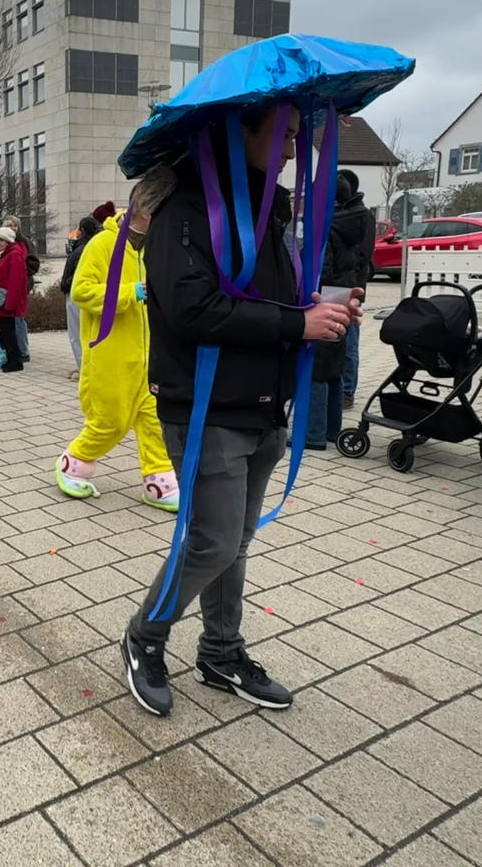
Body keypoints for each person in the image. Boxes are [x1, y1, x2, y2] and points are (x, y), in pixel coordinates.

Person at [120, 104, 361, 717]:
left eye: (298, 137)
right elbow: (190, 308)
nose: (291, 149)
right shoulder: (188, 208)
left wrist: (323, 309)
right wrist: (296, 321)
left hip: (263, 405)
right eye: (283, 134)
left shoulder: (268, 208)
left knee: (236, 542)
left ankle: (221, 651)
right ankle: (144, 637)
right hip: (206, 407)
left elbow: (267, 299)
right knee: (212, 542)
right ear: (239, 131)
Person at [58, 193, 180, 512]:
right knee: (110, 420)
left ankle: (159, 480)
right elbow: (81, 291)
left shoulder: (155, 246)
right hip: (111, 353)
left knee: (155, 418)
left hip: (150, 354)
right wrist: (129, 293)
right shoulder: (102, 245)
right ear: (146, 213)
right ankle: (75, 461)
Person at [299, 172, 367, 450]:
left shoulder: (326, 228)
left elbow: (318, 268)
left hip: (324, 295)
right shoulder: (352, 223)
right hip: (342, 292)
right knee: (334, 364)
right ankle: (331, 428)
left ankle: (312, 433)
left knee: (317, 365)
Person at [338, 170, 377, 409]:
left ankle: (347, 390)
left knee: (349, 340)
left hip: (351, 287)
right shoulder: (343, 212)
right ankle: (340, 387)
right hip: (342, 284)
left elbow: (362, 255)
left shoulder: (363, 217)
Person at [60, 214, 102, 377]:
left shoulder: (82, 249)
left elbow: (78, 274)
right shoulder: (94, 246)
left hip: (77, 295)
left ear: (82, 231)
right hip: (88, 294)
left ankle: (84, 368)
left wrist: (67, 284)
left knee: (77, 334)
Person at [0, 225, 29, 372]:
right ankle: (12, 359)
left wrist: (10, 303)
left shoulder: (14, 255)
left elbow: (16, 281)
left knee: (9, 332)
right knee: (5, 332)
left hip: (8, 301)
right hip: (2, 300)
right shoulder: (6, 255)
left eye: (2, 240)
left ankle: (16, 361)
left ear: (9, 240)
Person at [3, 215, 36, 363]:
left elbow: (33, 263)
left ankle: (23, 350)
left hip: (21, 283)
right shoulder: (2, 242)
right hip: (5, 284)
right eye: (9, 225)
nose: (12, 228)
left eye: (14, 225)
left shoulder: (24, 243)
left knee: (18, 317)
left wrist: (21, 273)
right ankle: (12, 348)